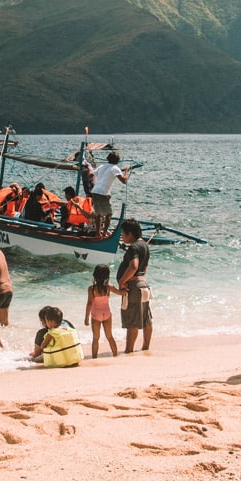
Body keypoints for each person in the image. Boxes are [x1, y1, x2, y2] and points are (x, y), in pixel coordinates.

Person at [115, 219, 152, 354]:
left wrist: (122, 281)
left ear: (129, 234)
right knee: (146, 318)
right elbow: (145, 266)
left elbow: (134, 265)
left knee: (132, 320)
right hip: (144, 283)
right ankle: (146, 347)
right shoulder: (144, 245)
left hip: (134, 285)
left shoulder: (133, 247)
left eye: (123, 234)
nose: (122, 237)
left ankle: (129, 350)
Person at [90, 150, 132, 236]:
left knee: (98, 214)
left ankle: (98, 234)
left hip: (94, 191)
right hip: (103, 192)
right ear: (117, 161)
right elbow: (124, 181)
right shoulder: (115, 168)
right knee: (109, 214)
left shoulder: (102, 166)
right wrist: (126, 171)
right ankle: (104, 233)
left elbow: (91, 174)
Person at [85, 264, 119, 359]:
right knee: (110, 337)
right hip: (107, 314)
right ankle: (116, 356)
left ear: (95, 275)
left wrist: (86, 318)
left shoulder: (92, 289)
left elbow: (89, 304)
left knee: (96, 338)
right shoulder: (109, 287)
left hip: (96, 315)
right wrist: (125, 288)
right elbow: (120, 292)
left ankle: (94, 358)